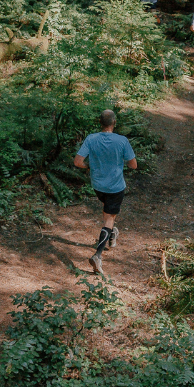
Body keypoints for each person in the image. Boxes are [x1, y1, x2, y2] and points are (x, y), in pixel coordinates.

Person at [74, 109, 137, 274]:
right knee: (109, 219)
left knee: (108, 214)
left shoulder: (91, 138)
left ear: (100, 123)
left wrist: (90, 166)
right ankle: (98, 255)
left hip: (98, 186)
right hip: (115, 187)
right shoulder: (122, 141)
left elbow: (78, 161)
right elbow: (133, 165)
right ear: (114, 123)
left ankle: (111, 234)